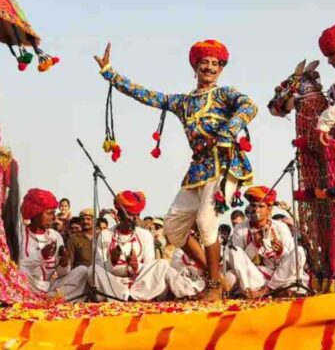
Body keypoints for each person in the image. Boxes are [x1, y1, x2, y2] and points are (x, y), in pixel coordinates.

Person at [94, 40, 257, 301]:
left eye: (215, 64)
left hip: (224, 164)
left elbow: (249, 106)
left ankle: (214, 285)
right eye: (204, 62)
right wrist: (110, 74)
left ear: (221, 69)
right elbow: (147, 96)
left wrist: (228, 131)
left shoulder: (226, 94)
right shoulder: (182, 102)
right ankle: (216, 278)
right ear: (195, 67)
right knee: (173, 227)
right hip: (198, 170)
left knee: (206, 222)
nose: (210, 67)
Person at [94, 191, 199, 301]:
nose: (134, 219)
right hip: (114, 286)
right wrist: (112, 261)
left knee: (161, 263)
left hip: (139, 285)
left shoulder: (144, 234)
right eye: (130, 214)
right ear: (119, 215)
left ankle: (188, 294)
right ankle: (124, 297)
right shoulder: (105, 235)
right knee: (92, 270)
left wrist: (136, 266)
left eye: (137, 215)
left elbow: (150, 267)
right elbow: (99, 268)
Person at [225, 186, 308, 298]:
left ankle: (267, 291)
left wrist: (281, 251)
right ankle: (250, 292)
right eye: (253, 205)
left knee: (299, 251)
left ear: (269, 209)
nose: (255, 209)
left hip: (281, 276)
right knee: (234, 253)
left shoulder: (280, 227)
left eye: (260, 206)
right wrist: (255, 245)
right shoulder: (241, 228)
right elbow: (239, 261)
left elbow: (289, 261)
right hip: (256, 277)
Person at [17, 189, 89, 300]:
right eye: (49, 213)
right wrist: (41, 257)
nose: (53, 218)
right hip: (27, 285)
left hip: (50, 287)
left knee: (83, 271)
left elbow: (61, 273)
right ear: (36, 213)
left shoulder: (55, 236)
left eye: (54, 213)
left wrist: (64, 263)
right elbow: (18, 266)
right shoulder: (19, 234)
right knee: (17, 268)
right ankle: (43, 298)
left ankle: (48, 298)